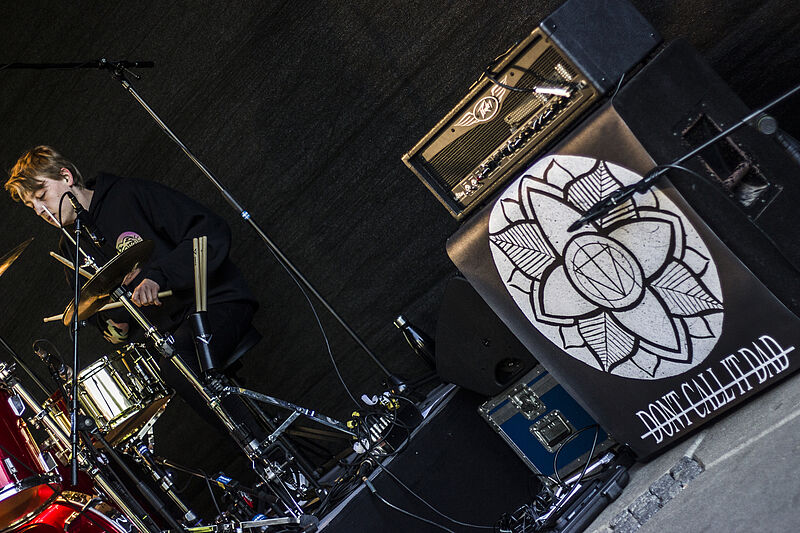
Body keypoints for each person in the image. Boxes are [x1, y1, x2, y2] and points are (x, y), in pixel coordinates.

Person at [5, 145, 260, 425]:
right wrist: (116, 326)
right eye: (31, 206)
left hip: (213, 301)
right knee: (172, 368)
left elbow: (207, 233)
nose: (40, 210)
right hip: (168, 337)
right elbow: (100, 318)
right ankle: (261, 442)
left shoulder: (128, 194)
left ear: (66, 177)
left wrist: (159, 276)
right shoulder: (70, 250)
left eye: (42, 196)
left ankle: (258, 446)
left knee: (181, 367)